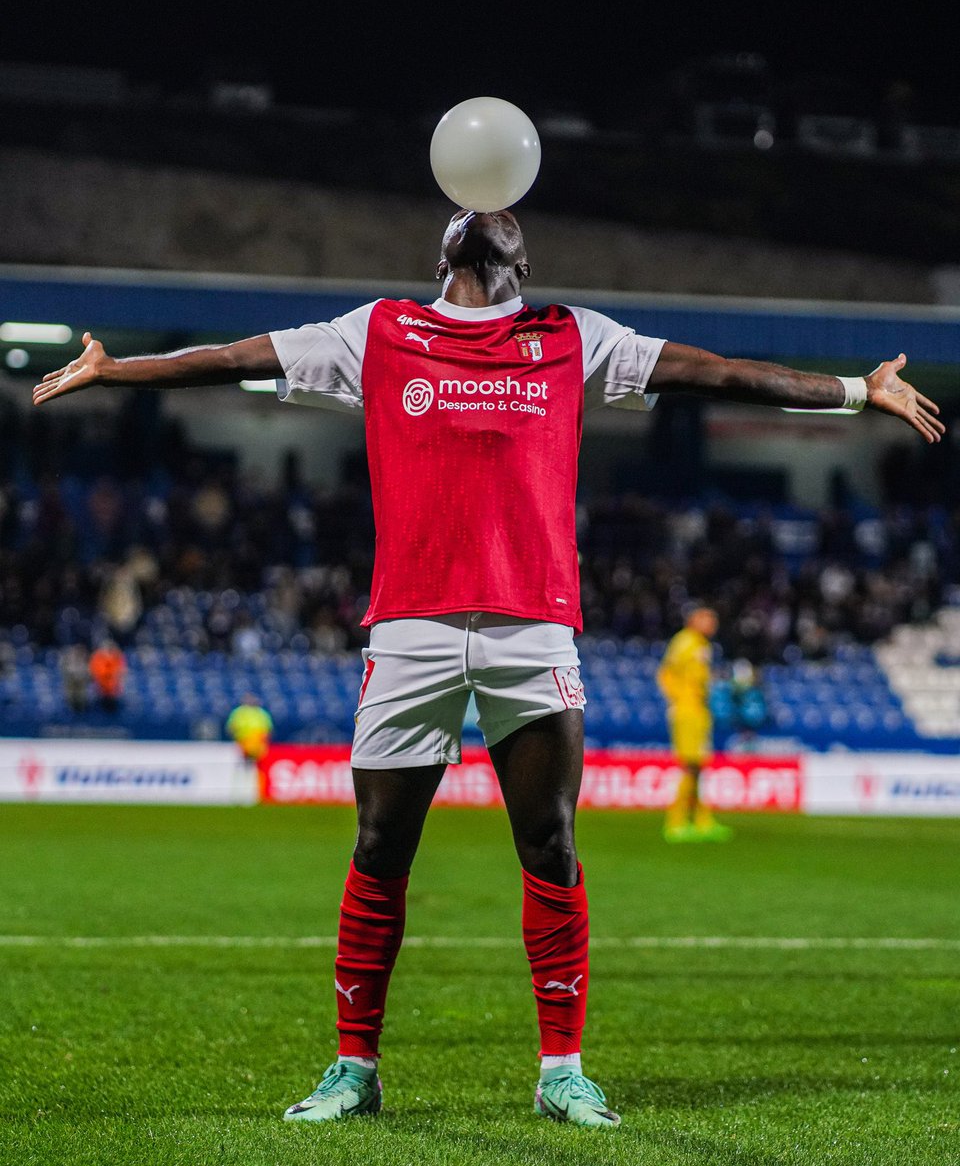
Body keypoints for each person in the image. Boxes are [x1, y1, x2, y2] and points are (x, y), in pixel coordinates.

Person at [33, 206, 944, 1130]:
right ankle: (354, 1069)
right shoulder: (378, 331)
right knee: (380, 847)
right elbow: (235, 358)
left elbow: (714, 373)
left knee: (550, 843)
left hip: (533, 629)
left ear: (524, 259)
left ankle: (562, 1072)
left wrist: (854, 391)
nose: (484, 216)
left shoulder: (571, 336)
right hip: (410, 628)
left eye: (501, 215)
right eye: (467, 214)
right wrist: (116, 369)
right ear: (443, 253)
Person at [656, 605, 731, 843]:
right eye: (708, 619)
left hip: (699, 709)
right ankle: (676, 822)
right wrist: (678, 699)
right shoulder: (686, 641)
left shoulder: (701, 644)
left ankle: (701, 820)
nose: (713, 624)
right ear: (694, 620)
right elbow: (666, 673)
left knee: (698, 765)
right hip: (687, 710)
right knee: (690, 765)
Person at [225, 692, 274, 768]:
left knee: (258, 765)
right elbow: (231, 727)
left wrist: (265, 737)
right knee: (243, 763)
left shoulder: (261, 713)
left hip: (258, 744)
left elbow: (268, 728)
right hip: (243, 742)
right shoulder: (238, 712)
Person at [88, 639, 126, 713]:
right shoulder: (97, 658)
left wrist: (114, 678)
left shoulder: (118, 657)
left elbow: (120, 671)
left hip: (114, 691)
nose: (109, 649)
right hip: (101, 690)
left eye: (110, 647)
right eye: (106, 647)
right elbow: (97, 672)